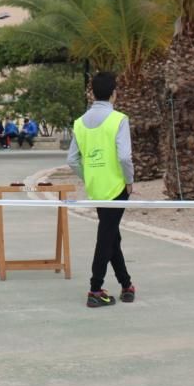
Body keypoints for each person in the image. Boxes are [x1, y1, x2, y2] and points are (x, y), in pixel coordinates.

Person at [67, 71, 136, 308]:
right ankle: (95, 289)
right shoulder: (119, 119)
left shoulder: (79, 123)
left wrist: (89, 176)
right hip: (117, 188)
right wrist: (129, 180)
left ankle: (126, 285)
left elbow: (73, 160)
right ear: (114, 93)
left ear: (92, 93)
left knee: (111, 235)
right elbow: (125, 157)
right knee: (106, 236)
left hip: (96, 188)